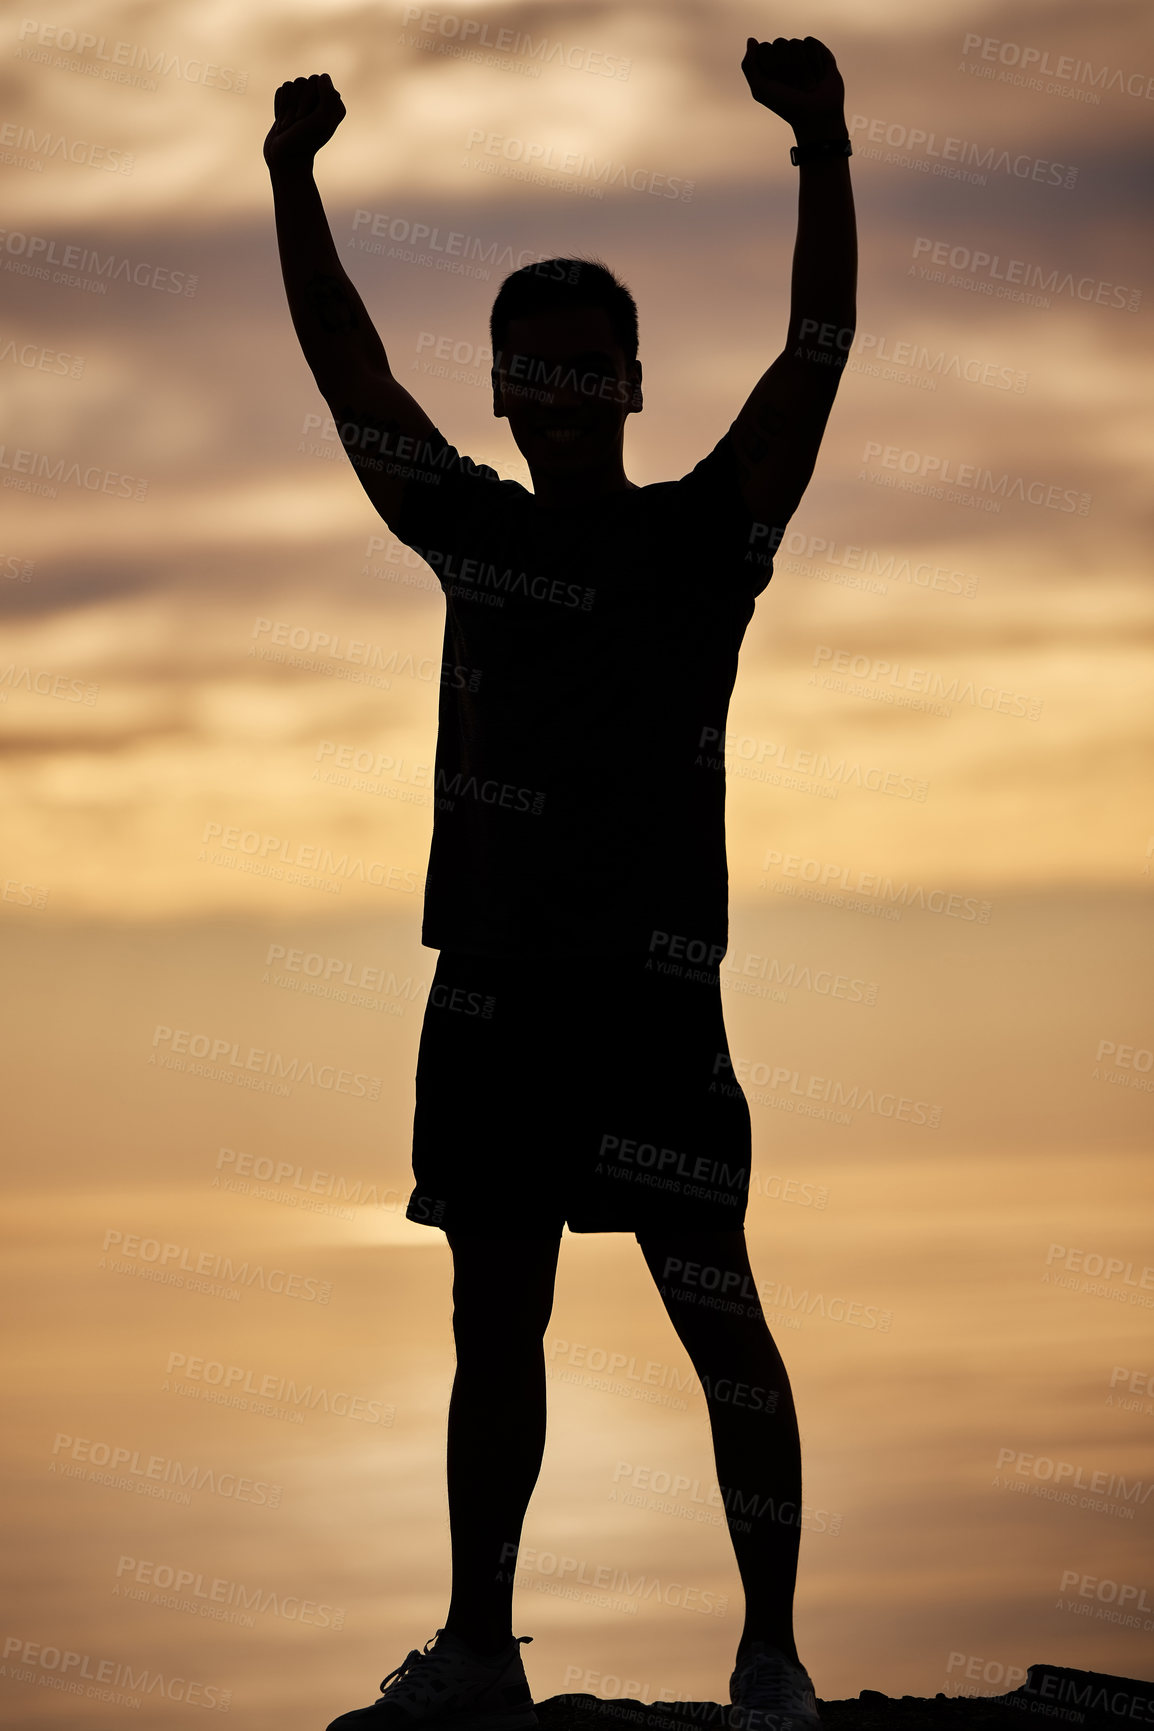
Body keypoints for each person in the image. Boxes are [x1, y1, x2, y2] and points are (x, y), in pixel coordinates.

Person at [265, 34, 855, 1731]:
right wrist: (290, 182)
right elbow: (347, 372)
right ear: (509, 394)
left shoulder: (704, 545)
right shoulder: (478, 538)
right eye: (543, 368)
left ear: (634, 387)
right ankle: (475, 1654)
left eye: (600, 366)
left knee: (719, 1318)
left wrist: (822, 150)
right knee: (491, 1323)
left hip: (656, 994)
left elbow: (817, 356)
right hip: (499, 998)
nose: (574, 392)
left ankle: (769, 1660)